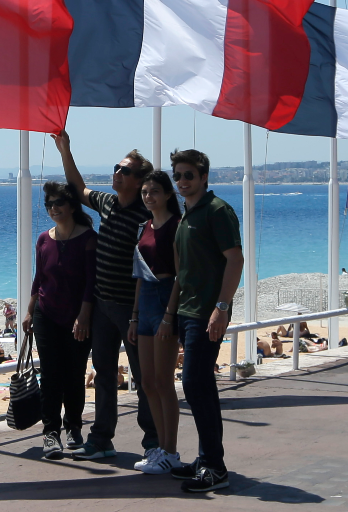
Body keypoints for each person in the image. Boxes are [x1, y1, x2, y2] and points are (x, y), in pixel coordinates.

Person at [51, 131, 159, 461]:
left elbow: (150, 269)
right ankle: (102, 440)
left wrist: (139, 314)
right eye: (116, 167)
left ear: (140, 180)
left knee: (144, 379)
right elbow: (78, 188)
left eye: (124, 170)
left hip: (131, 309)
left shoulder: (147, 217)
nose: (117, 173)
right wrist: (65, 149)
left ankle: (153, 443)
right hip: (102, 305)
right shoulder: (109, 203)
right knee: (103, 373)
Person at [166, 149, 241, 493]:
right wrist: (171, 314)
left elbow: (235, 260)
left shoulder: (216, 211)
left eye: (189, 175)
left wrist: (222, 308)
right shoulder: (186, 216)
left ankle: (215, 467)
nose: (182, 181)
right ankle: (206, 459)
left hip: (206, 313)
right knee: (199, 387)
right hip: (187, 312)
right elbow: (183, 272)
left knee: (196, 386)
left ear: (204, 177)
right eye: (177, 175)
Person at [22, 181, 97, 460]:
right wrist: (29, 311)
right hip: (46, 315)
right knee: (51, 375)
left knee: (74, 374)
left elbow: (92, 283)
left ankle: (74, 427)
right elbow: (39, 278)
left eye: (58, 203)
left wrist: (84, 316)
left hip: (78, 318)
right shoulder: (44, 239)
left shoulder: (89, 238)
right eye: (48, 204)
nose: (53, 209)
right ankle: (50, 433)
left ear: (72, 206)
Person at [126, 170, 183, 474]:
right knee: (147, 382)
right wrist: (134, 316)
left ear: (168, 195)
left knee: (164, 381)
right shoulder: (144, 227)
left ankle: (171, 451)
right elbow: (139, 273)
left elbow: (179, 275)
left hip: (165, 297)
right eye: (145, 192)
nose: (149, 196)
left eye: (155, 192)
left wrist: (169, 315)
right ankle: (160, 447)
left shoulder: (176, 226)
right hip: (146, 297)